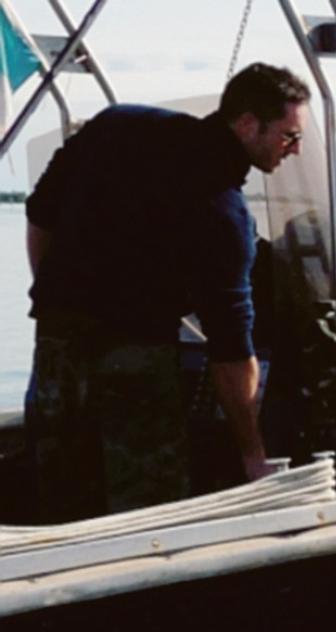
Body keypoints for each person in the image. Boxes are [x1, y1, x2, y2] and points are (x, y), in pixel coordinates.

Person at [23, 63, 311, 522]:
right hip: (134, 360)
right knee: (148, 512)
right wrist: (253, 455)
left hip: (56, 348)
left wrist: (55, 299)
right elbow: (231, 350)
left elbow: (40, 215)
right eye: (289, 136)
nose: (294, 151)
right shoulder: (223, 213)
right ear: (247, 123)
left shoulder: (115, 124)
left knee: (62, 498)